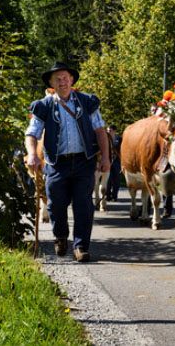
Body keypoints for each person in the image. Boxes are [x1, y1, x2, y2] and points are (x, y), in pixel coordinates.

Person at [25, 62, 110, 262]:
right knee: (55, 204)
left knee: (83, 204)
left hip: (83, 161)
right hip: (56, 163)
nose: (62, 82)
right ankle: (61, 236)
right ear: (51, 83)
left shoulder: (87, 102)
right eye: (58, 79)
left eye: (65, 78)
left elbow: (100, 130)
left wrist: (105, 157)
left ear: (71, 80)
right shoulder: (44, 106)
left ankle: (80, 246)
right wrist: (32, 154)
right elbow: (32, 133)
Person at [104, 125, 122, 202]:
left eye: (110, 130)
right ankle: (107, 195)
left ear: (114, 131)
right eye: (107, 130)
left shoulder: (119, 139)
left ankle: (115, 195)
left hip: (116, 161)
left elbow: (122, 150)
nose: (108, 131)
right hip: (108, 161)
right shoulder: (105, 138)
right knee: (108, 179)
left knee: (116, 180)